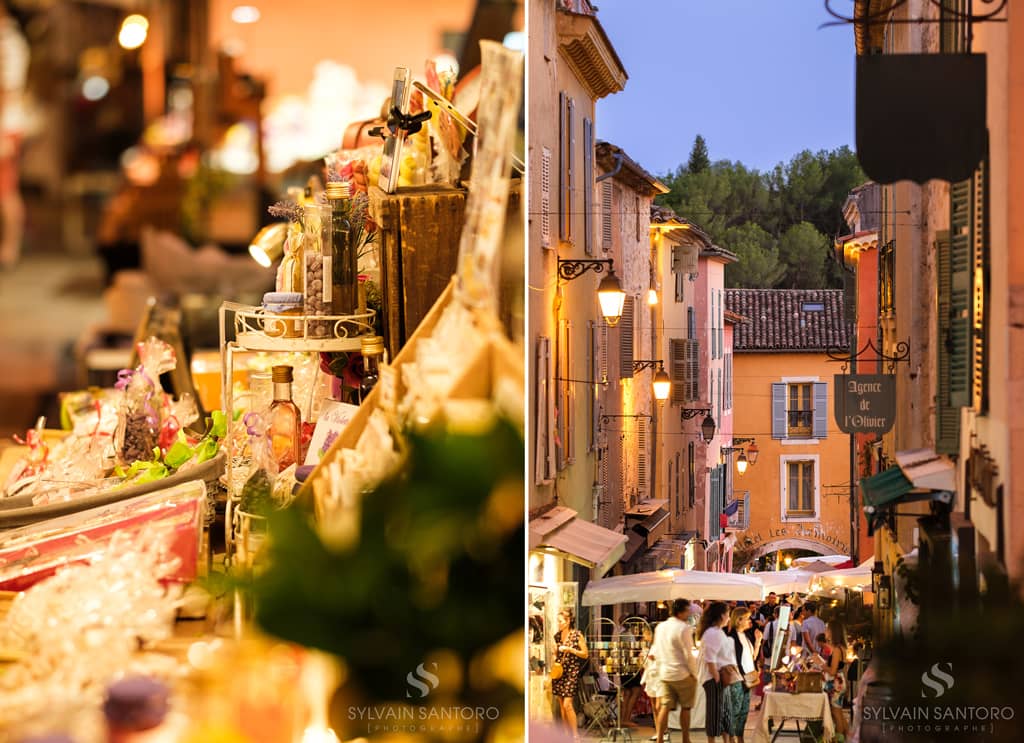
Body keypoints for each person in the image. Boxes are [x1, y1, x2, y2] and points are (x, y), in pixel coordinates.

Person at [651, 599, 698, 743]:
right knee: (686, 707)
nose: (689, 613)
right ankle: (685, 738)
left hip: (665, 672)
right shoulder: (684, 628)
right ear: (682, 611)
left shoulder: (661, 627)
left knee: (665, 706)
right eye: (688, 610)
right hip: (681, 672)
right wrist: (694, 673)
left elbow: (656, 649)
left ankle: (660, 738)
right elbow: (688, 653)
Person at [721, 608, 761, 743]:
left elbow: (752, 657)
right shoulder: (730, 636)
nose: (750, 621)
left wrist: (758, 642)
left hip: (748, 678)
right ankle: (731, 739)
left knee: (744, 712)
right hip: (736, 678)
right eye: (747, 618)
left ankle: (740, 738)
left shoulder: (746, 635)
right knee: (734, 710)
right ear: (739, 620)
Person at [696, 601, 730, 743]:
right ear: (722, 615)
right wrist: (717, 678)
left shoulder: (715, 632)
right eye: (728, 614)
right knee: (715, 714)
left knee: (721, 713)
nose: (729, 618)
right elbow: (711, 659)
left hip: (716, 677)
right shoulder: (713, 633)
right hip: (713, 677)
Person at [552, 608, 588, 740]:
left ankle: (575, 735)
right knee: (562, 705)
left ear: (568, 621)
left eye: (560, 621)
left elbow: (585, 654)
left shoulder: (577, 635)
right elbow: (555, 656)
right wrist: (555, 653)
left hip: (572, 672)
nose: (559, 624)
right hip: (559, 672)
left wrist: (570, 649)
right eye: (558, 621)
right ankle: (566, 735)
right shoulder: (557, 636)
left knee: (568, 704)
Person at [818, 620, 849, 738]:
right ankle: (848, 737)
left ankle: (839, 738)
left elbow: (832, 671)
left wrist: (821, 665)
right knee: (839, 712)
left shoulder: (836, 649)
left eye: (827, 629)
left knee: (836, 713)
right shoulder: (839, 647)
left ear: (833, 632)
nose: (825, 631)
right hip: (838, 682)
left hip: (836, 683)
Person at [640, 624, 664, 741]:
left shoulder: (660, 645)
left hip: (659, 677)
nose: (644, 635)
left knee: (660, 706)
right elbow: (645, 664)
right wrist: (643, 659)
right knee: (654, 707)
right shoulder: (648, 646)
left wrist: (654, 659)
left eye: (645, 632)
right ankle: (658, 730)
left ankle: (664, 731)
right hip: (651, 677)